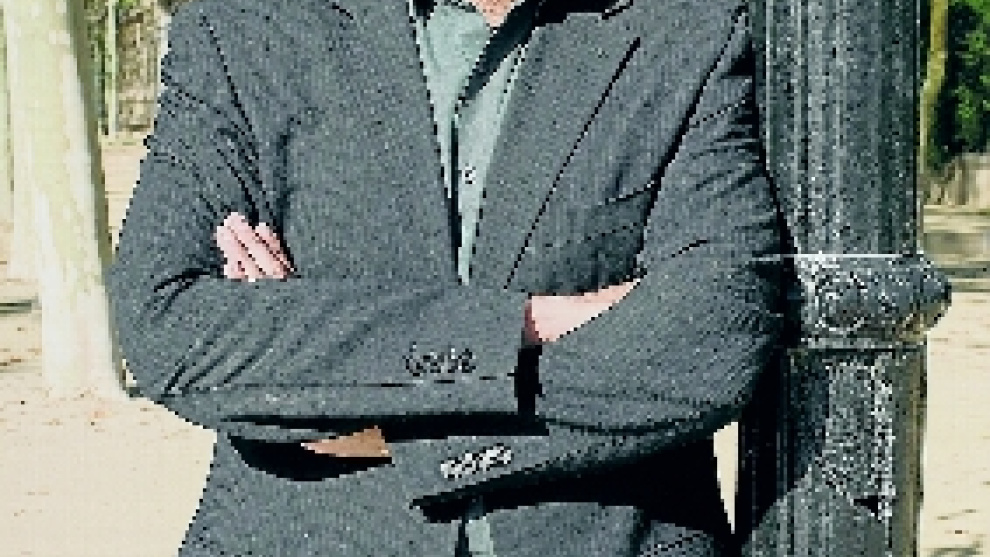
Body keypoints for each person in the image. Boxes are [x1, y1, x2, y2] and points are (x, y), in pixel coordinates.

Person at [107, 0, 785, 554]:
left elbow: (714, 332)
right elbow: (169, 322)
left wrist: (388, 424)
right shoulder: (242, 27)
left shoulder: (686, 23)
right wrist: (533, 322)